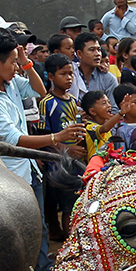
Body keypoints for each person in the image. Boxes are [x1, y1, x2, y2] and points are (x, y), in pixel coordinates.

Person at [0, 27, 83, 271]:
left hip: (29, 168)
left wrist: (27, 63)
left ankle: (42, 269)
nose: (17, 67)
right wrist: (57, 137)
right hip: (7, 174)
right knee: (18, 228)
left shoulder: (9, 82)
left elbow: (40, 91)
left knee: (38, 223)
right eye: (13, 62)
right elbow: (16, 140)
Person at [39, 53, 83, 239]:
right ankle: (70, 243)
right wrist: (67, 149)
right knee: (67, 206)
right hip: (58, 164)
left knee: (78, 202)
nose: (69, 78)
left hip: (76, 161)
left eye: (71, 74)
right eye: (63, 74)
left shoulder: (73, 101)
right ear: (50, 76)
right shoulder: (47, 103)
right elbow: (44, 138)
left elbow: (78, 129)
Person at [69, 32, 118, 107]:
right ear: (79, 54)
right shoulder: (70, 75)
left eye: (98, 50)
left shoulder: (108, 79)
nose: (97, 54)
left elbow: (114, 110)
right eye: (92, 50)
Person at [81, 89, 124, 158]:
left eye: (109, 102)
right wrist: (121, 113)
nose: (109, 105)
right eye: (104, 103)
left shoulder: (107, 126)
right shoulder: (89, 126)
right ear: (92, 111)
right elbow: (104, 129)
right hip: (96, 166)